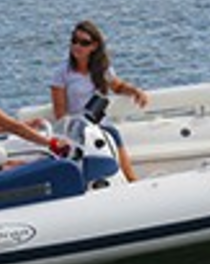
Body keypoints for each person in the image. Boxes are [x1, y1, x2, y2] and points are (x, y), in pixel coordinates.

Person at [50, 20, 148, 181]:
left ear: (94, 46)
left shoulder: (102, 69)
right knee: (108, 135)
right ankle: (129, 179)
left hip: (99, 124)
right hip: (76, 127)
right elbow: (60, 113)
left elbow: (118, 86)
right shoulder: (62, 73)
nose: (77, 46)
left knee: (111, 133)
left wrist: (135, 91)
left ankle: (130, 179)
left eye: (84, 43)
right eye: (74, 41)